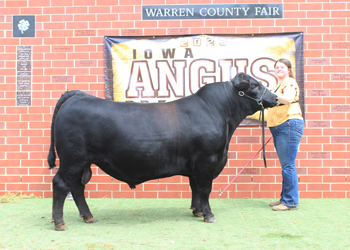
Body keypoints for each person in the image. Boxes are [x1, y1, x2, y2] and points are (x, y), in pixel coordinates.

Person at [247, 58, 304, 211]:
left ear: (288, 69)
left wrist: (271, 96)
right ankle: (285, 199)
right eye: (277, 67)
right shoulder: (278, 84)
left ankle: (290, 201)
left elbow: (289, 99)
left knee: (288, 165)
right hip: (281, 126)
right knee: (286, 165)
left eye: (282, 67)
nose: (279, 69)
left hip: (288, 124)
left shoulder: (289, 82)